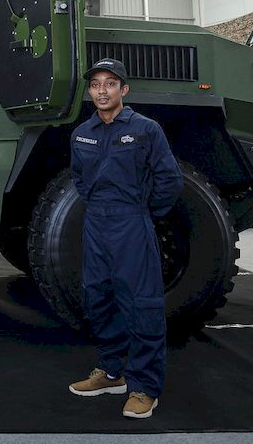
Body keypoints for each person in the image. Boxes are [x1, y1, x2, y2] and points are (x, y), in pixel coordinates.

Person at [67, 58, 183, 419]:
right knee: (98, 297)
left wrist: (143, 213)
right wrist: (102, 207)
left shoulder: (146, 129)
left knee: (142, 304)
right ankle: (111, 372)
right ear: (90, 91)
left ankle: (144, 386)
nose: (102, 90)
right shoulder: (81, 133)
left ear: (124, 90)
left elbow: (170, 181)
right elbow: (80, 179)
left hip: (132, 223)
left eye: (110, 83)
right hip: (96, 223)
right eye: (96, 84)